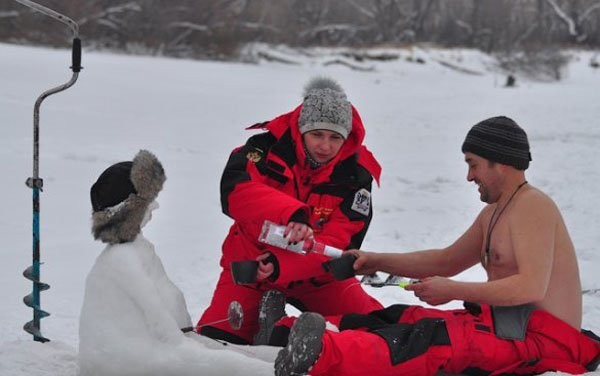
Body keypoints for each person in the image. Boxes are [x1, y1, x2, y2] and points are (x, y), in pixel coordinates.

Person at [272, 116, 600, 375]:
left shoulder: (533, 205)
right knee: (404, 317)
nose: (469, 176)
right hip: (508, 328)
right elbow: (445, 262)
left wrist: (453, 290)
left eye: (473, 164)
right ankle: (285, 334)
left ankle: (319, 354)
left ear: (499, 162)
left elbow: (530, 287)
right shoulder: (496, 211)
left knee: (431, 341)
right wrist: (376, 260)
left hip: (548, 341)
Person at [197, 77, 384, 345]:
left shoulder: (356, 174)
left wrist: (281, 264)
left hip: (317, 275)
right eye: (317, 134)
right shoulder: (261, 150)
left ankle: (283, 333)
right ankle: (274, 333)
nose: (325, 146)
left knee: (375, 330)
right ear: (300, 129)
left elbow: (342, 240)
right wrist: (294, 214)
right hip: (253, 269)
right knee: (218, 342)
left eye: (335, 138)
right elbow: (234, 195)